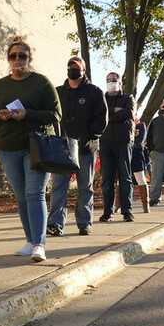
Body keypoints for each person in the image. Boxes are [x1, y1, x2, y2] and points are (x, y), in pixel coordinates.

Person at [0, 37, 61, 261]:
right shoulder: (0, 85)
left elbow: (56, 114)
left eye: (22, 55)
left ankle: (39, 244)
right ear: (8, 59)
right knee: (21, 196)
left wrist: (28, 114)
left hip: (36, 146)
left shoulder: (41, 82)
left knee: (34, 193)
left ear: (29, 58)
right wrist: (0, 116)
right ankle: (30, 241)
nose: (17, 59)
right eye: (13, 56)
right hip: (8, 148)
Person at [47, 57, 107, 234]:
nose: (72, 68)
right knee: (59, 186)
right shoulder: (57, 92)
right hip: (61, 149)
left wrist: (89, 137)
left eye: (76, 66)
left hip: (86, 148)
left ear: (83, 70)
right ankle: (55, 224)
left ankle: (84, 223)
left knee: (85, 187)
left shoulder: (94, 92)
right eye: (70, 66)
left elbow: (102, 120)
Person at [98, 72, 135, 222]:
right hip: (105, 142)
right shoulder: (101, 99)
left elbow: (128, 113)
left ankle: (127, 211)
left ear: (120, 83)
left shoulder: (128, 98)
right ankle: (108, 211)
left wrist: (109, 114)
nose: (111, 82)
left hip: (123, 142)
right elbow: (98, 115)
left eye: (114, 80)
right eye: (109, 80)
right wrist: (116, 111)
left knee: (125, 178)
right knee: (107, 179)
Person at [131, 119, 151, 212]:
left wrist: (130, 140)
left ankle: (145, 205)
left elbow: (139, 140)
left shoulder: (141, 125)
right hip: (125, 153)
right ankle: (119, 205)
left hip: (137, 154)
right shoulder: (124, 124)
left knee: (141, 178)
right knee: (121, 179)